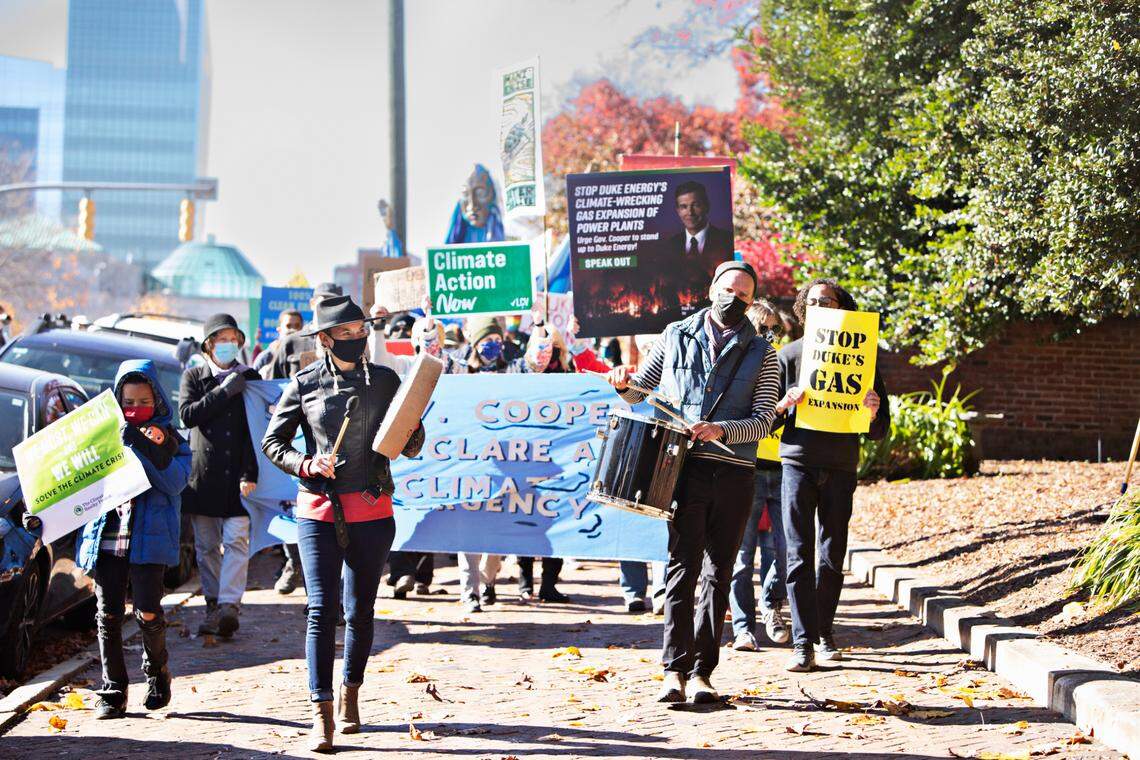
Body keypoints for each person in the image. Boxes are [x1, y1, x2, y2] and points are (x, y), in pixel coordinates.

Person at [604, 261, 780, 704]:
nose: (733, 300)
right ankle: (673, 671)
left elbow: (763, 421)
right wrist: (622, 386)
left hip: (736, 472)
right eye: (728, 290)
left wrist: (723, 430)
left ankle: (703, 672)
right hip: (680, 468)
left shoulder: (764, 352)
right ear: (711, 289)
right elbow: (644, 389)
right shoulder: (674, 334)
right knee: (681, 566)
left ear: (751, 301)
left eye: (743, 296)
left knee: (718, 571)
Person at [262, 295, 425, 751]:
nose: (356, 339)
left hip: (373, 511)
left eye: (361, 331)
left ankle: (351, 691)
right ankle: (321, 713)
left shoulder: (388, 380)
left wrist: (412, 431)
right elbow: (273, 442)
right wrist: (308, 464)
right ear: (326, 338)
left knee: (360, 611)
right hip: (318, 511)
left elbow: (411, 446)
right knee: (320, 610)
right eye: (347, 333)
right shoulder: (305, 383)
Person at [26, 361, 191, 718]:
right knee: (108, 615)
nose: (134, 408)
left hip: (149, 542)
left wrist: (142, 449)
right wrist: (40, 511)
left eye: (143, 400)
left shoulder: (172, 441)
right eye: (127, 401)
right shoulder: (101, 438)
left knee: (148, 611)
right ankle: (113, 690)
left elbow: (174, 483)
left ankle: (157, 673)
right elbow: (69, 484)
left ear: (157, 400)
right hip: (108, 539)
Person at [774, 278, 890, 672]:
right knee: (797, 552)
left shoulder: (864, 359)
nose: (822, 304)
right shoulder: (788, 356)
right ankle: (802, 642)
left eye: (829, 300)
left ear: (843, 308)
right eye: (815, 300)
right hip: (798, 461)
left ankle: (824, 633)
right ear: (803, 308)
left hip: (841, 464)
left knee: (830, 553)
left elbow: (880, 429)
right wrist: (784, 405)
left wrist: (872, 409)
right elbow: (766, 421)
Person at [367, 305, 458, 598]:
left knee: (428, 508)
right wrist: (379, 328)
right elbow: (380, 360)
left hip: (444, 449)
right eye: (424, 335)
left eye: (435, 335)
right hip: (407, 448)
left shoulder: (457, 366)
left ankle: (422, 576)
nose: (430, 340)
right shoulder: (405, 365)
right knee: (404, 508)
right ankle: (401, 570)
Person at [179, 313, 260, 639]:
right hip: (203, 477)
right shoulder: (194, 377)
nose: (228, 345)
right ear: (209, 345)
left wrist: (251, 470)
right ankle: (213, 603)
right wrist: (224, 391)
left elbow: (258, 428)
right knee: (207, 546)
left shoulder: (250, 377)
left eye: (233, 339)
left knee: (237, 541)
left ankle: (230, 605)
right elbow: (188, 415)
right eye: (221, 339)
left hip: (239, 475)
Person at [730, 300, 792, 651]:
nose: (769, 335)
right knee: (742, 553)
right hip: (746, 467)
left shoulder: (783, 363)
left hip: (781, 467)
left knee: (783, 549)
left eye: (774, 329)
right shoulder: (733, 364)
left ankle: (772, 606)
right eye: (761, 327)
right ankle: (743, 626)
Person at [455, 316, 526, 612]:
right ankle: (469, 590)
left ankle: (488, 580)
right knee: (467, 527)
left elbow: (535, 366)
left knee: (495, 529)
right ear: (475, 343)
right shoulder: (460, 371)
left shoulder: (511, 368)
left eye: (497, 340)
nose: (492, 346)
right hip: (469, 459)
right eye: (486, 341)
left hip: (504, 461)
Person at [514, 323, 576, 603]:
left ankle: (549, 583)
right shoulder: (520, 369)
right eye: (540, 347)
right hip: (526, 456)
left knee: (557, 516)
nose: (545, 355)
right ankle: (525, 581)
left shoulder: (567, 372)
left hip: (559, 458)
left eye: (551, 348)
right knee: (526, 519)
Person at [270, 283, 343, 381]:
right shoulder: (291, 342)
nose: (329, 306)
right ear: (312, 304)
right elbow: (275, 385)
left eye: (335, 302)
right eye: (324, 301)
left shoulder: (348, 340)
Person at [254, 309, 304, 378]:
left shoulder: (308, 354)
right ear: (279, 329)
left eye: (297, 326)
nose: (293, 330)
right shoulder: (266, 357)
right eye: (288, 326)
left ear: (303, 329)